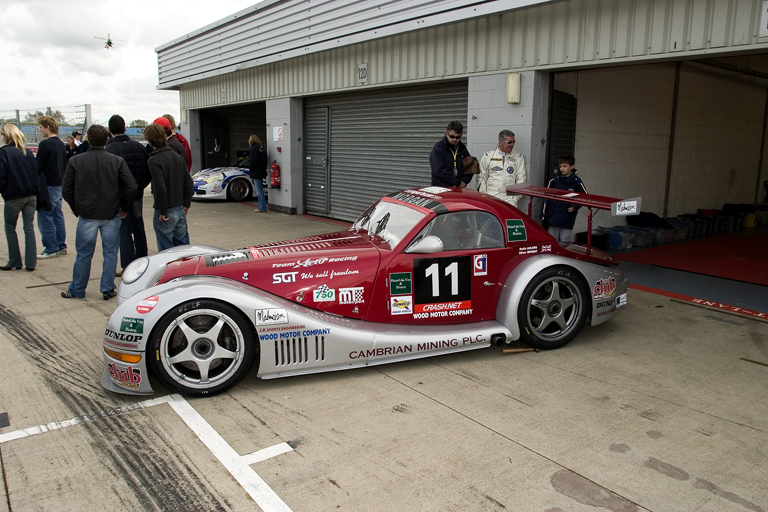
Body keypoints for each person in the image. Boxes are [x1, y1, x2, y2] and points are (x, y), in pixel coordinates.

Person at [61, 125, 138, 300]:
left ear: (88, 140)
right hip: (110, 213)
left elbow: (66, 190)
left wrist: (76, 207)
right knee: (110, 252)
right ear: (106, 140)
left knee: (84, 253)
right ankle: (107, 288)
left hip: (87, 214)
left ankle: (78, 288)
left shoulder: (75, 161)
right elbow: (131, 186)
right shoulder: (116, 161)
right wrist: (123, 207)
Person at [106, 115, 151, 273]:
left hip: (120, 197)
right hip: (137, 194)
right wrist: (140, 186)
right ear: (124, 128)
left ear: (110, 130)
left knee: (124, 231)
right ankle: (144, 263)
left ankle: (128, 266)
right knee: (139, 228)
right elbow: (148, 171)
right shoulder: (139, 147)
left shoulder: (110, 150)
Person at [145, 124, 193, 251]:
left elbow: (160, 187)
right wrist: (186, 204)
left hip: (167, 209)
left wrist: (162, 211)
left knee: (166, 250)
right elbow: (188, 181)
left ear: (149, 140)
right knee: (183, 246)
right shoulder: (177, 157)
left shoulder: (154, 160)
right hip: (179, 206)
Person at [0, 124, 40, 271]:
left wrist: (3, 190)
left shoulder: (4, 153)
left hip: (13, 195)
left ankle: (15, 260)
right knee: (29, 227)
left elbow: (2, 176)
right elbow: (36, 172)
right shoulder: (26, 152)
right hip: (31, 195)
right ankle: (31, 262)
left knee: (10, 227)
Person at [36, 115, 68, 258]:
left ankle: (50, 247)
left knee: (45, 215)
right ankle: (60, 245)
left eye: (41, 127)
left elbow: (38, 165)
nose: (40, 130)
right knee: (57, 215)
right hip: (59, 183)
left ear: (47, 127)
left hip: (48, 184)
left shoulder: (45, 144)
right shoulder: (61, 144)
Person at [542, 154, 587, 243]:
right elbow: (545, 197)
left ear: (572, 166)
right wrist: (544, 214)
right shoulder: (554, 180)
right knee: (552, 241)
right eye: (560, 166)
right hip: (553, 216)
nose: (562, 168)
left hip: (567, 217)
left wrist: (575, 207)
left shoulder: (576, 181)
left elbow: (585, 196)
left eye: (565, 166)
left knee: (565, 241)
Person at [477, 130, 527, 208]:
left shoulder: (518, 157)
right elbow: (482, 179)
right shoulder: (488, 157)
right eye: (509, 142)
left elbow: (521, 179)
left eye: (514, 142)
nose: (512, 145)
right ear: (500, 142)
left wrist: (515, 198)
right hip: (491, 197)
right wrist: (485, 197)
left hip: (510, 198)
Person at [429, 121, 473, 188]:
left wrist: (464, 181)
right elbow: (438, 170)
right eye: (452, 136)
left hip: (457, 190)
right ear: (446, 134)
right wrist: (458, 182)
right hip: (441, 189)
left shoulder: (462, 149)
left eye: (457, 137)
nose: (455, 139)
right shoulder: (438, 148)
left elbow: (471, 166)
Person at [248, 134, 268, 212]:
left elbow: (253, 160)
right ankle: (262, 206)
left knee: (258, 190)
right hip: (262, 171)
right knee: (260, 189)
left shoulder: (253, 149)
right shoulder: (262, 148)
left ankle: (261, 207)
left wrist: (250, 168)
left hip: (256, 172)